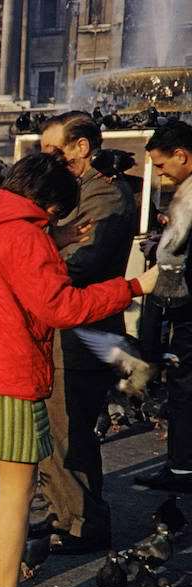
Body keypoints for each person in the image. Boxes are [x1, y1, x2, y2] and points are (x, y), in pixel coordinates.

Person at [0, 151, 159, 587]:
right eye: (56, 213)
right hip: (11, 375)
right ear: (48, 203)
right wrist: (135, 287)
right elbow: (61, 308)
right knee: (18, 489)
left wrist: (53, 240)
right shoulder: (27, 237)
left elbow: (2, 271)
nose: (55, 220)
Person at [37, 111, 137, 553]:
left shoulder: (106, 196)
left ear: (81, 147)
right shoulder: (76, 191)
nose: (47, 159)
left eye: (52, 150)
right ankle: (63, 510)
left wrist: (31, 261)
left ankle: (82, 523)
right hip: (65, 328)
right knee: (58, 430)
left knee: (69, 431)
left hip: (82, 332)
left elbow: (80, 262)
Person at [136, 121, 192, 493]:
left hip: (186, 303)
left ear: (182, 156)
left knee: (184, 385)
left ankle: (182, 467)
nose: (160, 173)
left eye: (161, 165)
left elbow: (176, 254)